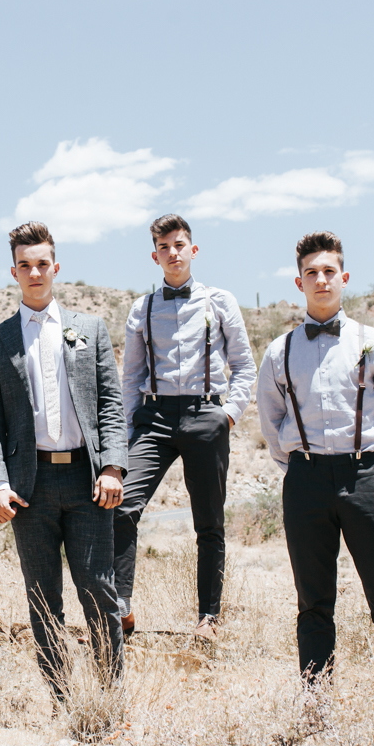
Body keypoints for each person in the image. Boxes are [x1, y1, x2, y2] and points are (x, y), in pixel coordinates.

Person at [256, 231, 374, 714]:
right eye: (312, 273)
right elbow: (271, 423)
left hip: (366, 476)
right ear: (299, 283)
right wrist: (301, 468)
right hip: (305, 481)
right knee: (313, 601)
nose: (321, 280)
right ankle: (317, 709)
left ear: (344, 278)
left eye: (329, 272)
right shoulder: (279, 352)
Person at [0, 222, 128, 699]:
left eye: (42, 264)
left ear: (56, 267)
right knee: (42, 598)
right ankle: (62, 700)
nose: (35, 272)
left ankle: (110, 696)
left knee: (99, 589)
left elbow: (111, 405)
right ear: (14, 272)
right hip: (29, 487)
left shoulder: (91, 329)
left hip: (88, 482)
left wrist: (112, 466)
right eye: (25, 265)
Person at [113, 214, 256, 641]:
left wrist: (228, 415)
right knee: (122, 506)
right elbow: (131, 378)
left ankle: (208, 619)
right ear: (154, 256)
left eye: (179, 245)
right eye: (164, 247)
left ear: (193, 250)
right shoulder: (142, 308)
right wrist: (125, 437)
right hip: (154, 418)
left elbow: (244, 366)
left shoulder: (220, 302)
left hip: (205, 415)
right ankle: (120, 609)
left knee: (208, 522)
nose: (172, 253)